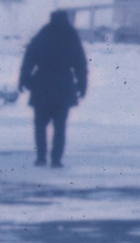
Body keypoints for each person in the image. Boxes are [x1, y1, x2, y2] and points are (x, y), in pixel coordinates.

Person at [17, 9, 89, 167]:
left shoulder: (43, 34)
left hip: (41, 84)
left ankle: (41, 157)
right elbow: (80, 63)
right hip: (63, 85)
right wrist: (82, 85)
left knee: (40, 125)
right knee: (60, 126)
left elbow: (29, 59)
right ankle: (56, 159)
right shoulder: (71, 35)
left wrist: (23, 80)